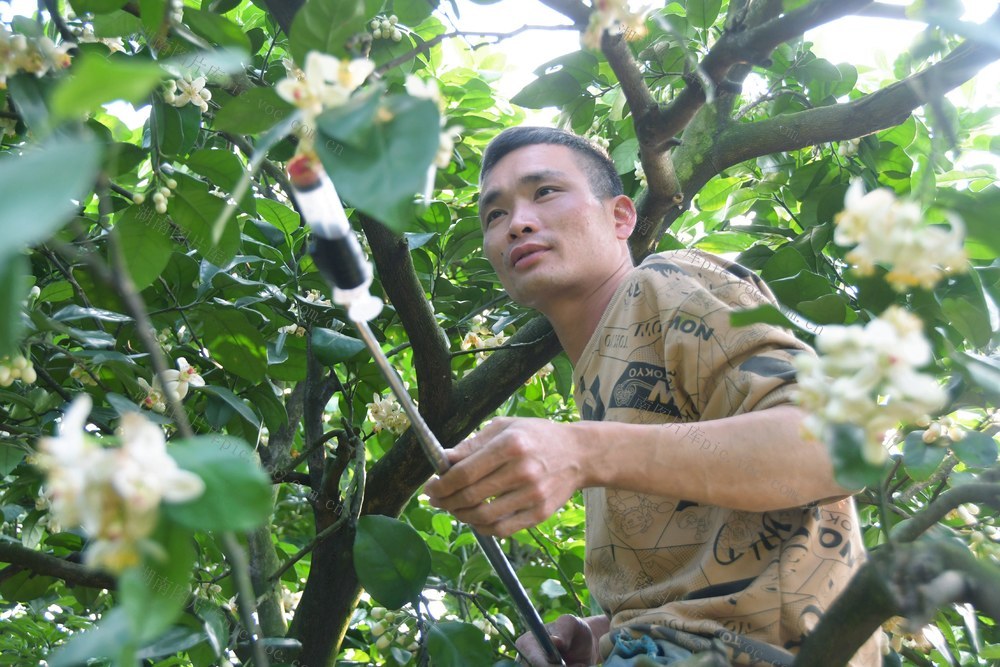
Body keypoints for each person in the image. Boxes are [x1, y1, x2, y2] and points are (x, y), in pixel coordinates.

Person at [424, 127, 882, 667]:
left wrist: (582, 451)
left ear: (621, 217)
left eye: (544, 192)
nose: (516, 223)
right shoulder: (595, 377)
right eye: (494, 215)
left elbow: (843, 445)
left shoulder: (667, 279)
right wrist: (601, 633)